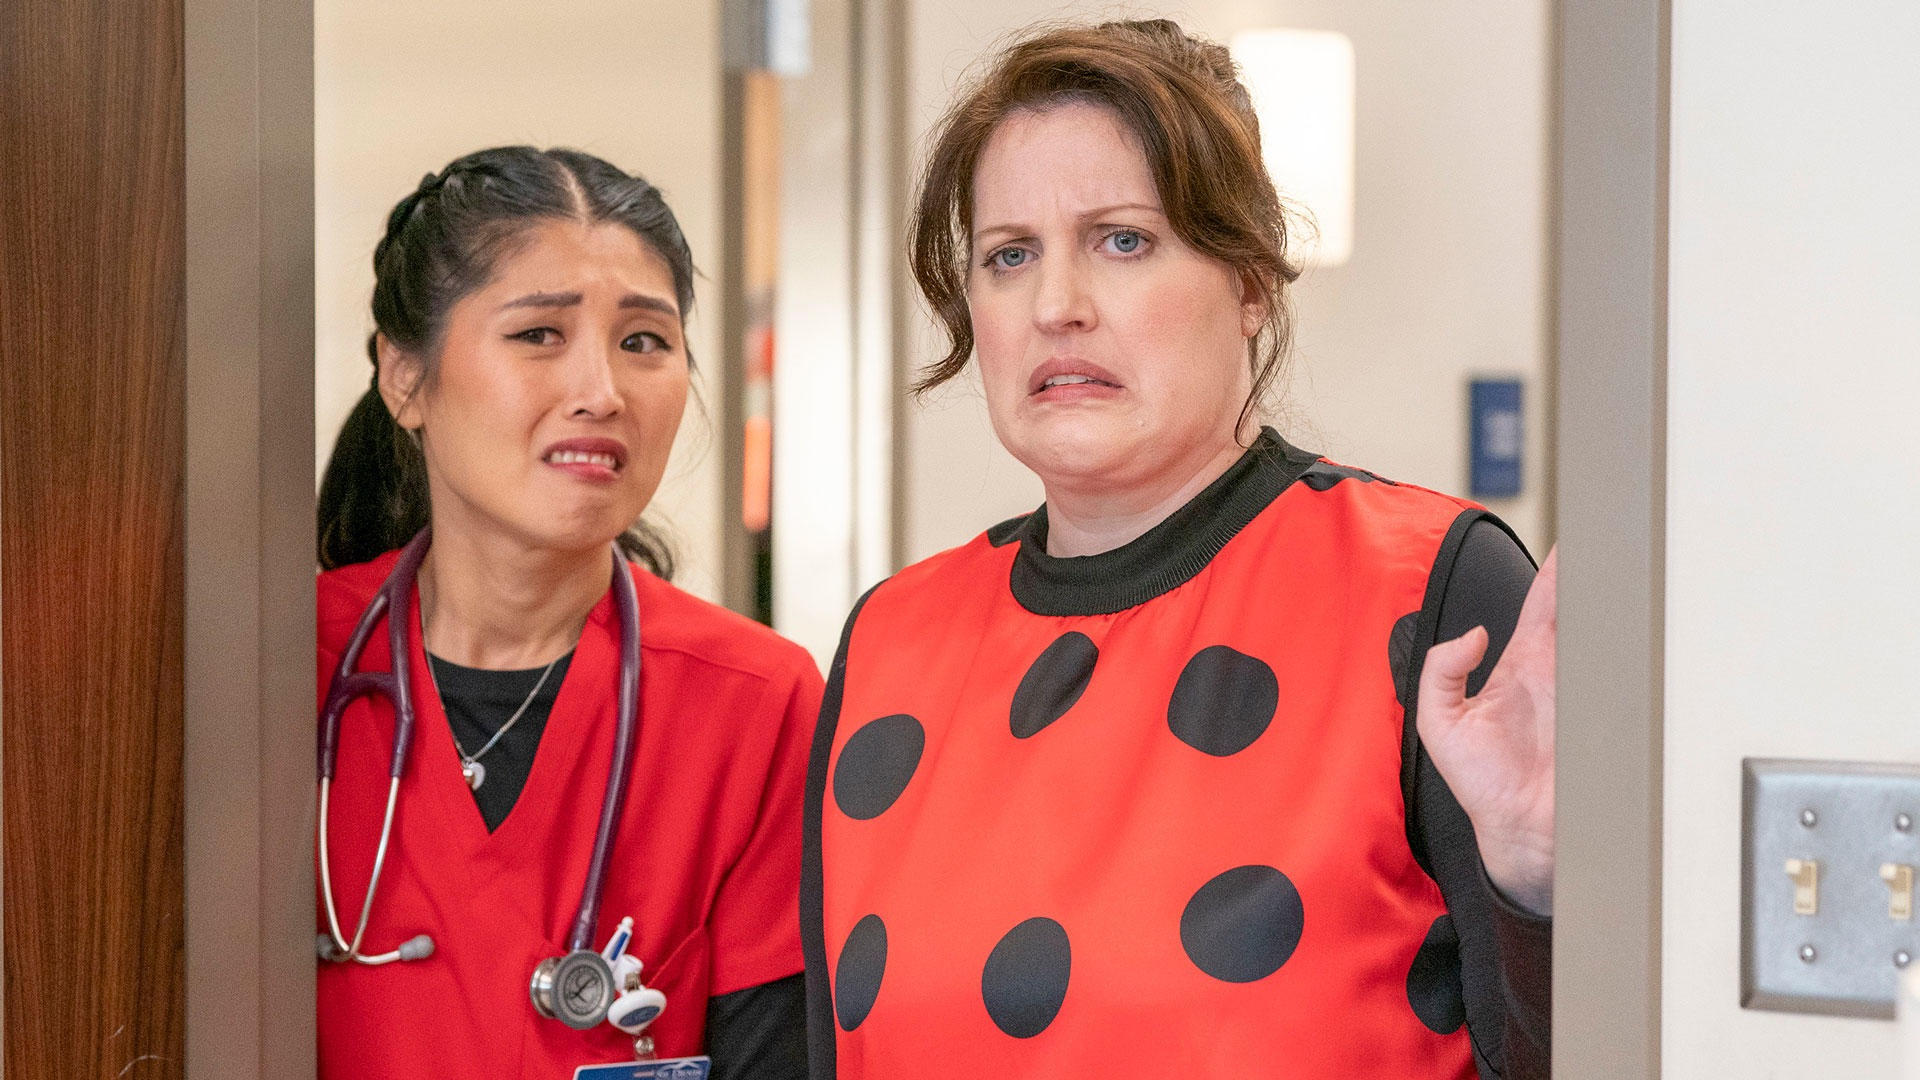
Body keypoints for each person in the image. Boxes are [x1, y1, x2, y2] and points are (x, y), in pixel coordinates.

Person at [801, 20, 1555, 1079]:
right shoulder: (892, 643)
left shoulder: (1430, 588)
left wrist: (1542, 896)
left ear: (1249, 284)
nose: (1056, 307)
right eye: (1009, 255)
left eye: (1121, 241)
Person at [315, 146, 817, 1079]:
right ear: (405, 376)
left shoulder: (753, 702)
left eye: (644, 342)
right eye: (539, 333)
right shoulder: (278, 666)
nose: (601, 393)